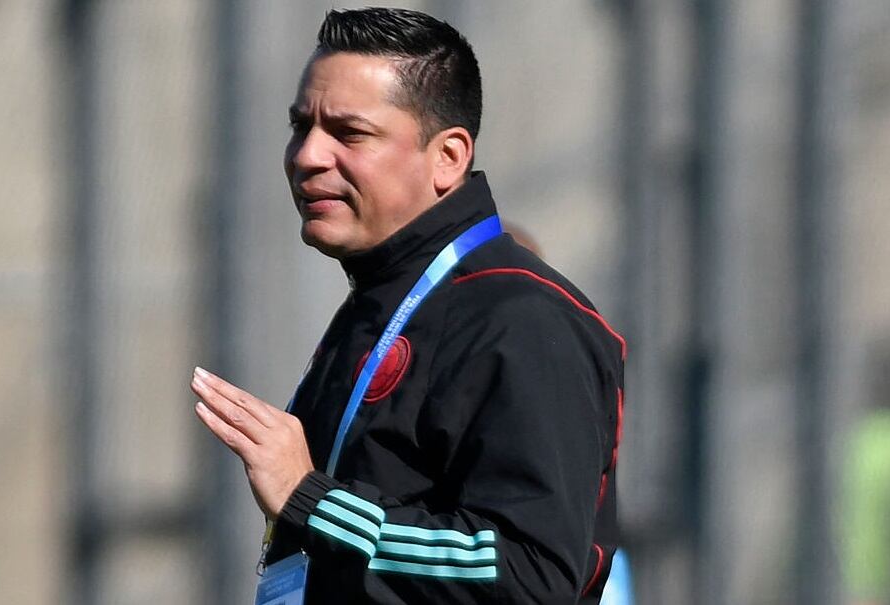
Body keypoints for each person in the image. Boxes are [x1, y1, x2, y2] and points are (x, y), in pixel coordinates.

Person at [190, 7, 625, 603]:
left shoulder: (520, 318)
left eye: (349, 133)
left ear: (448, 157)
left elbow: (533, 575)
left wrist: (310, 499)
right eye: (300, 126)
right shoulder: (382, 302)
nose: (308, 155)